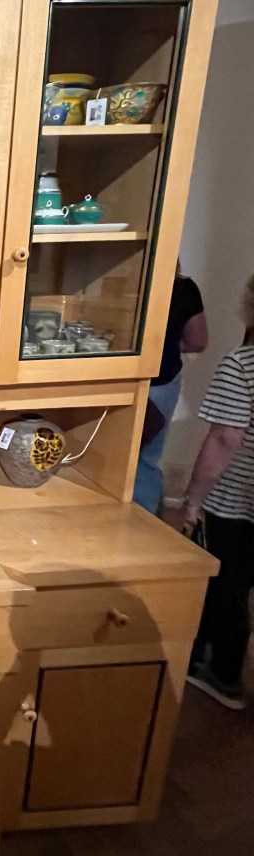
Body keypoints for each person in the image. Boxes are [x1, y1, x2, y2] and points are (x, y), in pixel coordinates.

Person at [183, 275, 254, 710]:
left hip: (237, 500)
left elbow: (225, 438)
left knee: (226, 585)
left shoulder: (242, 365)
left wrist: (192, 500)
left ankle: (222, 674)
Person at [134, 266, 208, 513]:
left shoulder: (127, 278)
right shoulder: (183, 287)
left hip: (135, 379)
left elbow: (198, 341)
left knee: (135, 456)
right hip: (162, 379)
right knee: (146, 457)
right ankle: (146, 522)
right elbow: (198, 340)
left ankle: (143, 524)